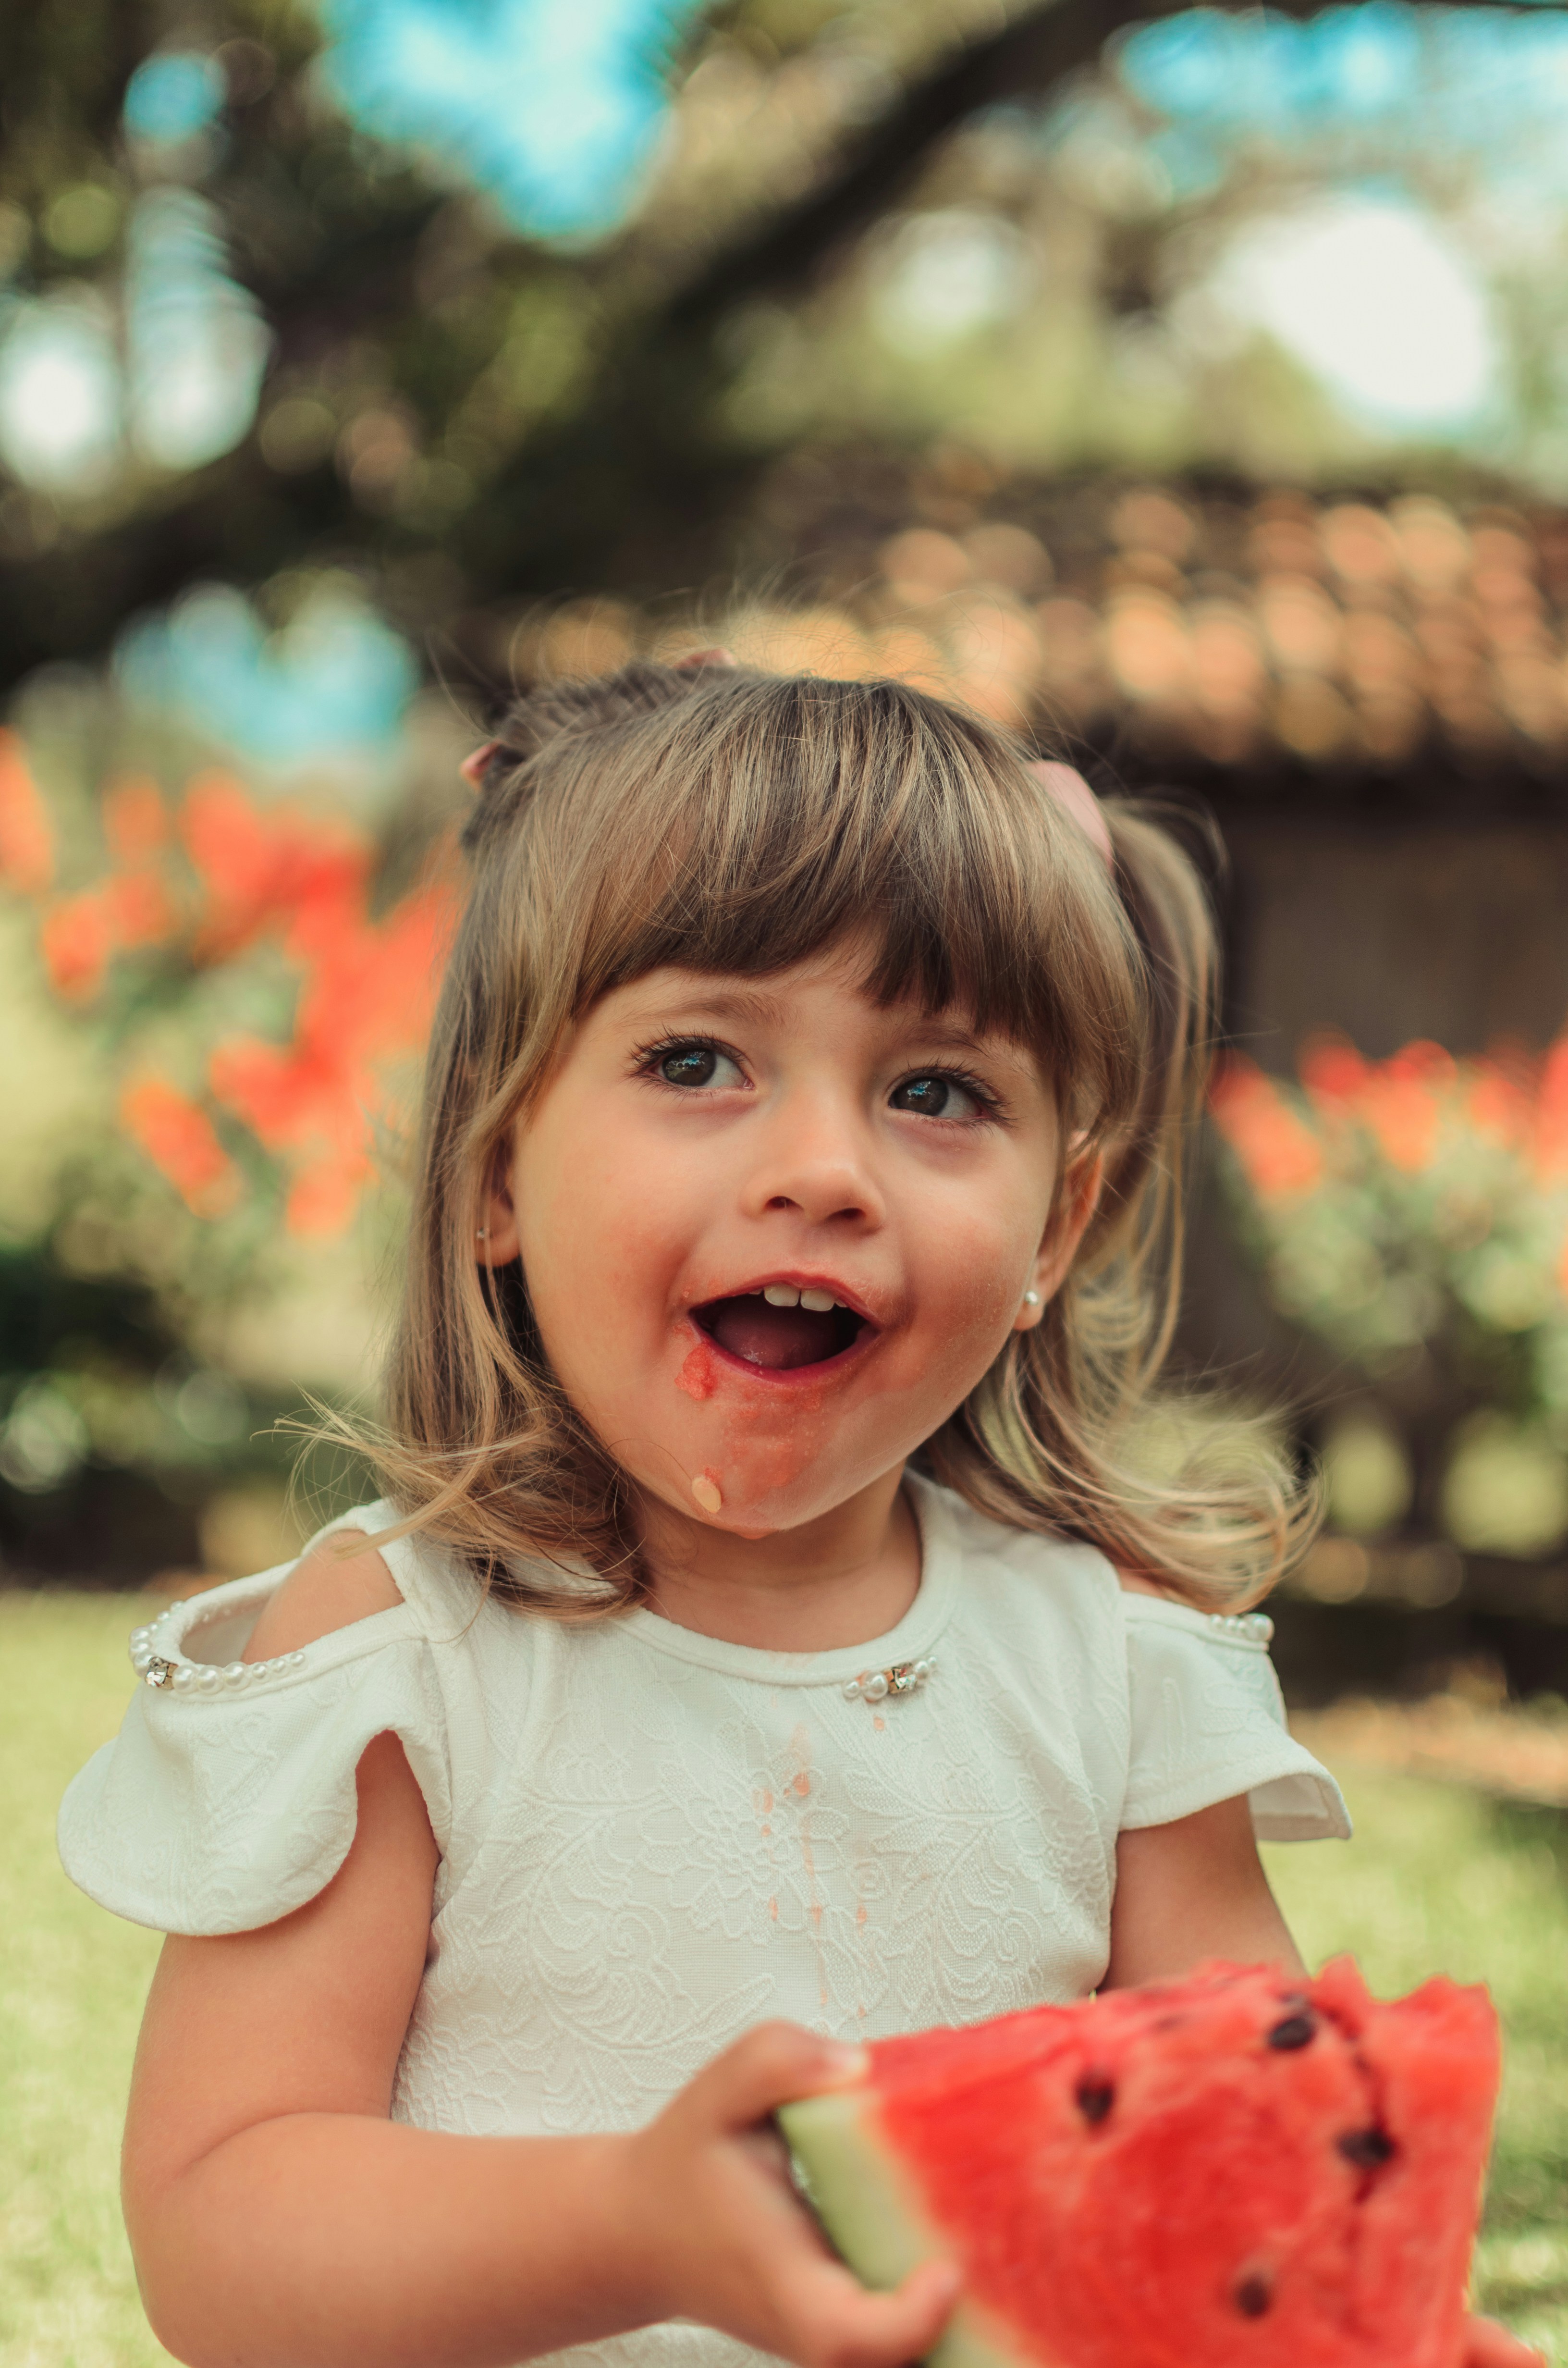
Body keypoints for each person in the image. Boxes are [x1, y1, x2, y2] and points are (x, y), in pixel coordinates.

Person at [60, 657, 1536, 2368]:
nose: (824, 1167)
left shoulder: (1118, 1664)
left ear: (1058, 1233)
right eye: (698, 1060)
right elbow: (221, 2233)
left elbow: (1240, 2166)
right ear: (493, 1178)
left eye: (936, 1094)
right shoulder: (401, 1658)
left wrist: (1366, 2324)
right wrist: (628, 2225)